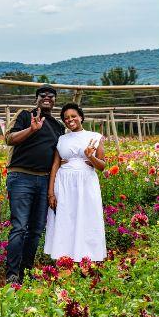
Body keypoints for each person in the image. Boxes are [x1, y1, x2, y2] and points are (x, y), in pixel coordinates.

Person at [3, 84, 65, 284]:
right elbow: (9, 139)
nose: (47, 97)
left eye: (51, 95)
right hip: (21, 177)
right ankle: (12, 274)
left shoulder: (58, 126)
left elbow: (58, 156)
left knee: (36, 230)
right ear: (36, 98)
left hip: (44, 179)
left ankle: (25, 272)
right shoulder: (25, 115)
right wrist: (32, 129)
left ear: (55, 101)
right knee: (19, 227)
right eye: (43, 95)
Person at [44, 103, 108, 262]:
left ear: (81, 117)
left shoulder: (95, 137)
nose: (70, 120)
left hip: (86, 183)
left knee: (87, 218)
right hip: (64, 183)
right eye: (66, 118)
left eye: (73, 116)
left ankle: (88, 258)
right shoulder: (62, 139)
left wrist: (90, 157)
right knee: (66, 220)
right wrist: (51, 192)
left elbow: (102, 166)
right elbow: (55, 165)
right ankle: (66, 259)